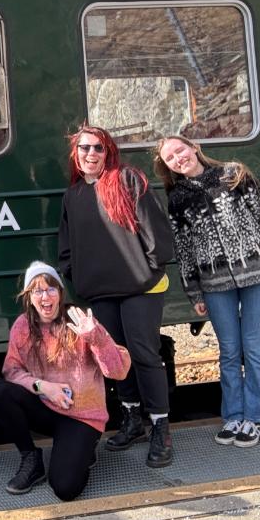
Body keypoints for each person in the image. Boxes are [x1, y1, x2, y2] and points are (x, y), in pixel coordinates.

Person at [155, 135, 260, 448]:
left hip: (257, 275)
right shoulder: (178, 197)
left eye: (180, 150)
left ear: (193, 148)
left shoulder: (233, 174)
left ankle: (255, 417)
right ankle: (233, 415)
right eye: (170, 158)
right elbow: (185, 248)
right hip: (214, 284)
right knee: (230, 350)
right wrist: (194, 292)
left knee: (254, 347)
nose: (179, 158)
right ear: (168, 167)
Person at [58, 124, 176, 467]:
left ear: (108, 152)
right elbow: (66, 246)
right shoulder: (74, 196)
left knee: (143, 354)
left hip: (142, 287)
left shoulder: (128, 180)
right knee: (114, 357)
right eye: (84, 149)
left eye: (98, 148)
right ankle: (132, 419)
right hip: (101, 291)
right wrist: (75, 274)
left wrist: (151, 267)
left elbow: (156, 229)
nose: (91, 154)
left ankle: (160, 428)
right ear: (75, 155)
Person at [0, 262, 131, 499]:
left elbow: (119, 371)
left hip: (82, 416)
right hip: (46, 407)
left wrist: (96, 338)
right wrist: (42, 387)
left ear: (60, 293)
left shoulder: (80, 320)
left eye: (51, 289)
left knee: (65, 489)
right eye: (37, 291)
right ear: (29, 297)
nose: (45, 296)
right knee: (0, 392)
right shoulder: (23, 326)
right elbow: (11, 371)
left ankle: (83, 449)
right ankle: (31, 459)